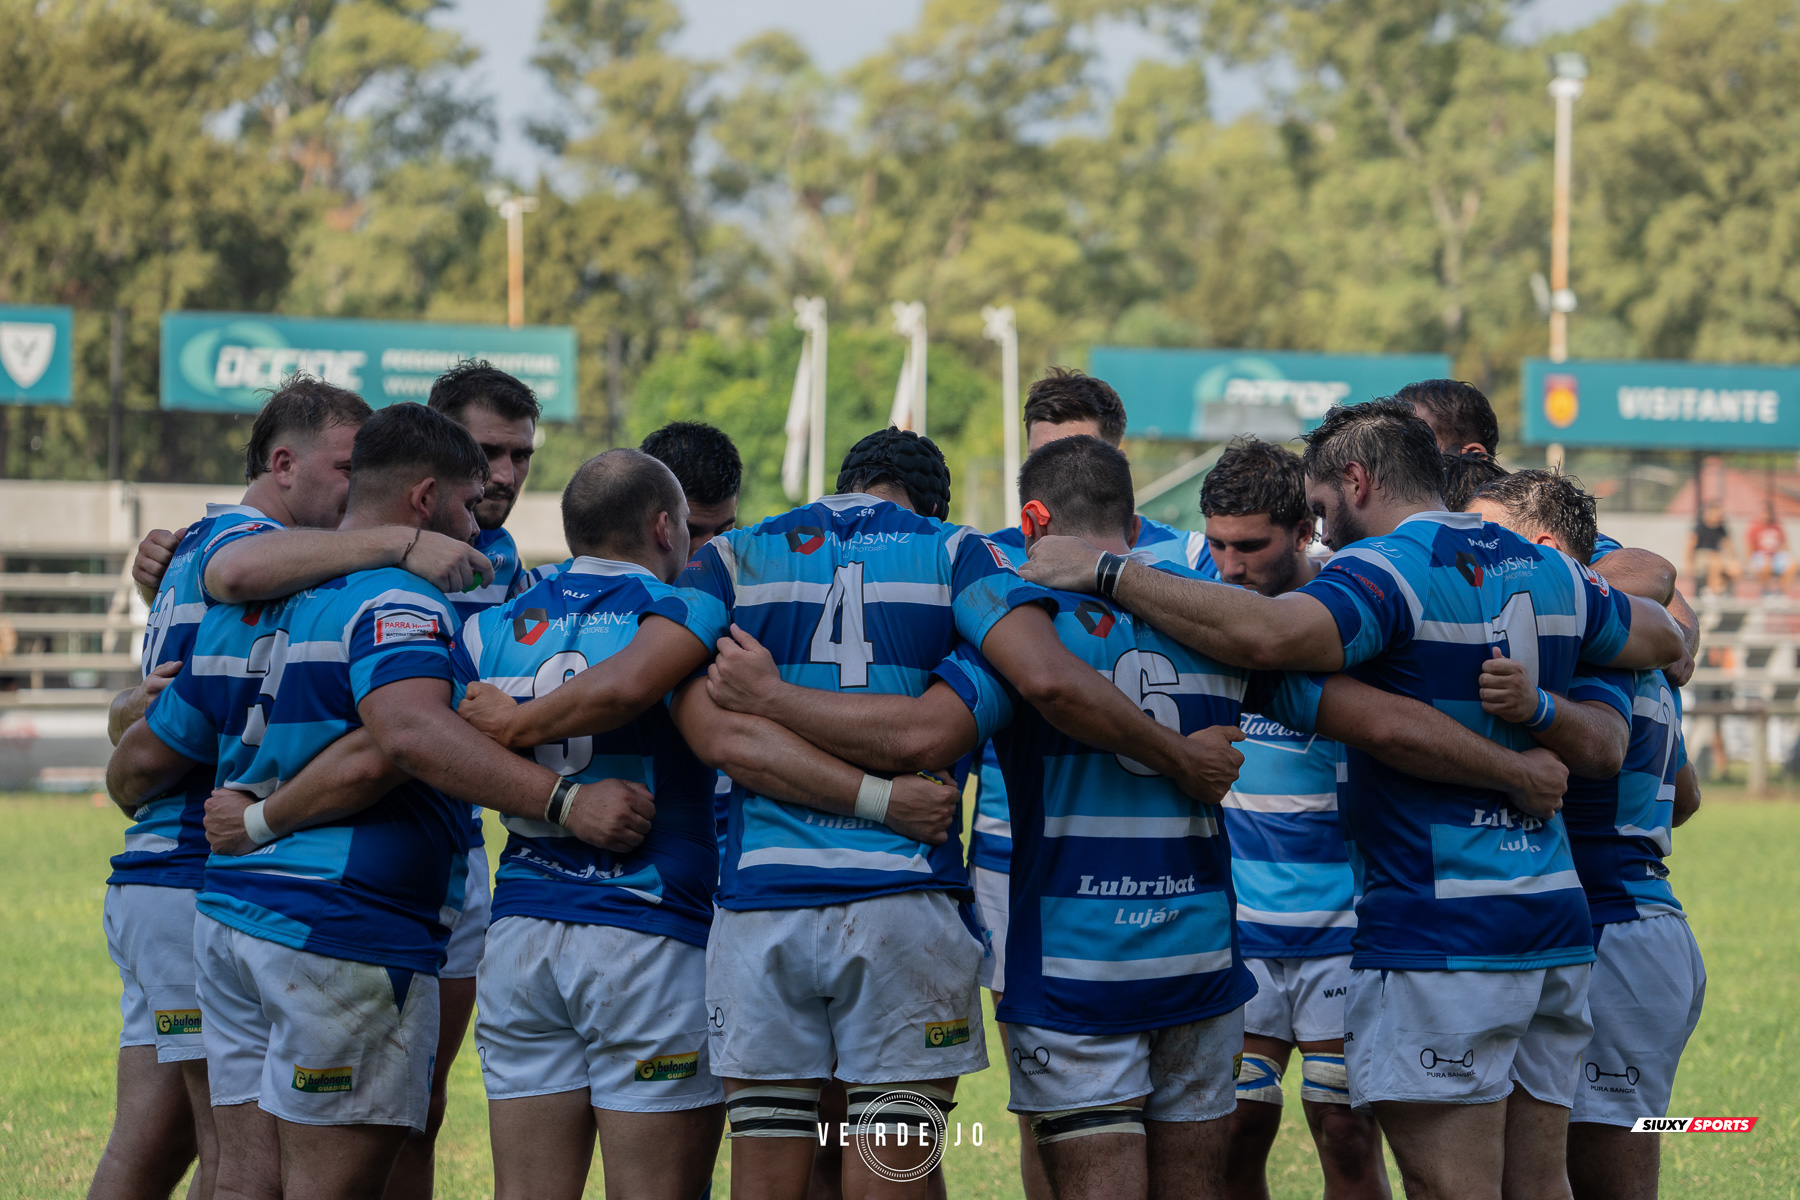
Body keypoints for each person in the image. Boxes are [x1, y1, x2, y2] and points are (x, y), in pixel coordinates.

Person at [700, 435, 1568, 1200]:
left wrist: (772, 698)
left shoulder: (1023, 628)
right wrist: (1513, 765)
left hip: (1073, 972)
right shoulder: (1209, 622)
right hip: (1197, 964)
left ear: (1035, 521)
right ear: (1129, 515)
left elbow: (925, 731)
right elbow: (1378, 723)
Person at [464, 426, 1245, 1198]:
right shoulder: (956, 554)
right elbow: (982, 709)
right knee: (889, 1170)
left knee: (770, 1175)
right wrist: (1179, 757)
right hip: (903, 912)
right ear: (930, 506)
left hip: (762, 915)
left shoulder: (733, 559)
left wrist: (522, 722)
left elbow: (686, 713)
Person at [1020, 400, 1685, 1200]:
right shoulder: (1545, 569)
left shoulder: (1385, 568)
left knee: (1453, 1189)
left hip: (1443, 932)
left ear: (1357, 482)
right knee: (1540, 1186)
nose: (1322, 532)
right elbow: (1664, 636)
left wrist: (1109, 573)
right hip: (1551, 923)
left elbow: (1271, 638)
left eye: (1322, 507)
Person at [104, 403, 613, 1200]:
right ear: (424, 498)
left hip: (231, 919)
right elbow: (406, 737)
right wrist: (565, 803)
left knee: (241, 1178)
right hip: (342, 926)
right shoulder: (398, 599)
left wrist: (130, 732)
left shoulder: (247, 606)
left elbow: (140, 759)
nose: (476, 521)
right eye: (468, 500)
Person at [89, 377, 373, 1200]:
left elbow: (159, 701)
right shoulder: (244, 550)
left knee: (153, 1146)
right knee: (236, 1156)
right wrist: (396, 543)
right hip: (189, 868)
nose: (358, 493)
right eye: (346, 468)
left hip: (155, 871)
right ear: (283, 464)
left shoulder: (193, 545)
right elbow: (172, 719)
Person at [974, 367, 1221, 1199]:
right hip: (1016, 857)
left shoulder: (1188, 562)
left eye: (1079, 451)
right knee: (1044, 1110)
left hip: (1159, 871)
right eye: (1045, 454)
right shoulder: (993, 562)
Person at [1467, 471, 1708, 1200]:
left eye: (1488, 536)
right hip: (1637, 922)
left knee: (1601, 1174)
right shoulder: (1632, 644)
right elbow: (1686, 798)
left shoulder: (1588, 652)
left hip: (1615, 927)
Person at [1198, 439, 1388, 1200]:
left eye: (1250, 547)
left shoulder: (1353, 609)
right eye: (1217, 545)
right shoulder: (1203, 607)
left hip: (1347, 930)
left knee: (1345, 1132)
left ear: (1305, 531)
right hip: (1242, 928)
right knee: (1236, 1132)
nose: (1228, 566)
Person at [1686, 502, 1739, 597]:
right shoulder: (1700, 527)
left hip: (1717, 555)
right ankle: (1712, 591)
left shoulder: (1721, 529)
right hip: (1702, 555)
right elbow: (1691, 546)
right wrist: (1689, 563)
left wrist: (1733, 559)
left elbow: (1728, 545)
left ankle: (1719, 589)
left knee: (1735, 569)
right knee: (1715, 561)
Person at [1744, 501, 1795, 595]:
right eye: (1764, 512)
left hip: (1775, 556)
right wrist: (1750, 562)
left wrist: (1787, 557)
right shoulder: (1755, 527)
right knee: (1766, 566)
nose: (1766, 515)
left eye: (1768, 512)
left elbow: (1784, 546)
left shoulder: (1777, 526)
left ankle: (1780, 591)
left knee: (1793, 565)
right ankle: (1765, 591)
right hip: (1760, 556)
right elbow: (1749, 547)